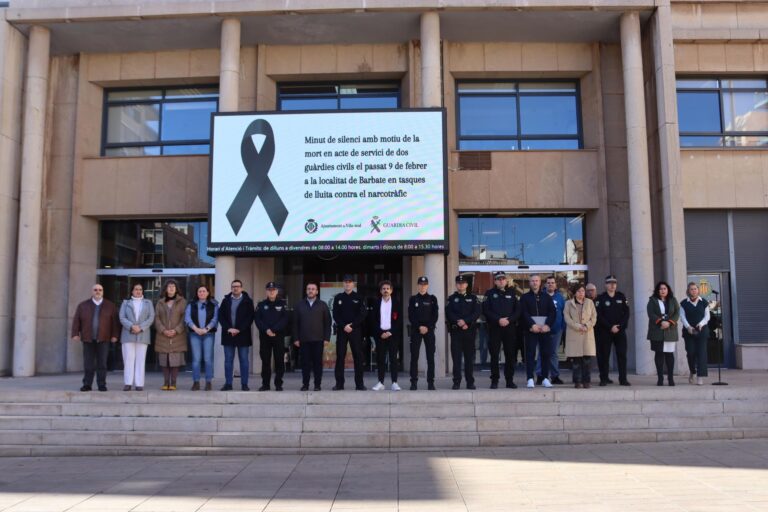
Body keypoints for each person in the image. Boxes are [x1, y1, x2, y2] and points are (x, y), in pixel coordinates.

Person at [71, 283, 120, 391]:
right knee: (88, 363)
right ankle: (87, 384)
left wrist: (115, 335)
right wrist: (75, 333)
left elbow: (115, 323)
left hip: (104, 338)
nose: (98, 291)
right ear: (92, 292)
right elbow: (76, 320)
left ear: (103, 292)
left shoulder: (110, 306)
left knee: (102, 363)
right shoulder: (83, 305)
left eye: (100, 290)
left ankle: (101, 384)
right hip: (88, 338)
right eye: (95, 290)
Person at [482, 271, 520, 389]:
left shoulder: (513, 293)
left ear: (506, 280)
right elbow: (486, 310)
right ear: (495, 281)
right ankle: (494, 380)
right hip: (494, 328)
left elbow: (518, 310)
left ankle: (509, 380)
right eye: (499, 279)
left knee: (510, 355)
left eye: (503, 279)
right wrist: (498, 319)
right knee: (494, 355)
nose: (501, 281)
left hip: (509, 328)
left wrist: (509, 320)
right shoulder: (489, 293)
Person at [331, 274, 368, 391]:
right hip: (342, 331)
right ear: (343, 284)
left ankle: (359, 384)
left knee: (358, 357)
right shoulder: (338, 298)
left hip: (355, 330)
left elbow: (363, 314)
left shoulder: (359, 297)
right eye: (346, 282)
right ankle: (339, 384)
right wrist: (344, 326)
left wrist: (352, 325)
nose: (347, 283)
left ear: (353, 284)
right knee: (340, 356)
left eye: (350, 282)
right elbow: (335, 314)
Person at [293, 282, 331, 391]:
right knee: (305, 364)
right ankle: (305, 384)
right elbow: (295, 323)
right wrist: (295, 338)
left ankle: (317, 385)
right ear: (306, 291)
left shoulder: (323, 305)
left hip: (318, 340)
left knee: (317, 364)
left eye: (313, 289)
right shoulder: (299, 305)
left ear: (317, 291)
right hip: (303, 340)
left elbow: (328, 323)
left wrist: (327, 338)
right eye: (309, 289)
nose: (311, 291)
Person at [520, 274, 556, 388]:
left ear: (540, 283)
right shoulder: (524, 297)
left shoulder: (547, 297)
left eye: (536, 281)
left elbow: (552, 312)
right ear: (529, 283)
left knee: (545, 354)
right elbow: (523, 313)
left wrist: (547, 325)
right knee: (530, 354)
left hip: (544, 330)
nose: (534, 283)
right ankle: (530, 378)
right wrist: (532, 325)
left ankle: (545, 377)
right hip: (531, 330)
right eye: (532, 281)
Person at [218, 279, 255, 391]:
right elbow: (221, 316)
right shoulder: (225, 301)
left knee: (244, 360)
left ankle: (244, 384)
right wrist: (229, 328)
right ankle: (228, 384)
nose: (235, 288)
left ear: (241, 288)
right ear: (231, 288)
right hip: (228, 334)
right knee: (228, 360)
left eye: (238, 286)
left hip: (243, 335)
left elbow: (250, 317)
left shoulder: (248, 301)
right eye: (233, 286)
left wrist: (238, 329)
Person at [595, 275, 631, 386]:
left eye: (614, 283)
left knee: (622, 355)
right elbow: (599, 316)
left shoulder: (621, 297)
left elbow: (626, 313)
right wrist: (610, 327)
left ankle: (623, 379)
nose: (612, 285)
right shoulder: (600, 299)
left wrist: (619, 326)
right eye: (610, 283)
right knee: (604, 355)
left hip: (620, 331)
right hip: (605, 331)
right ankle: (604, 378)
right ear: (606, 285)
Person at [446, 275, 481, 390]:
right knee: (456, 359)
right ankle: (456, 382)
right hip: (456, 332)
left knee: (469, 359)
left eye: (463, 283)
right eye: (458, 283)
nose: (461, 285)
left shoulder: (473, 298)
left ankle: (470, 382)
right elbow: (449, 313)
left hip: (469, 332)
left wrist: (466, 322)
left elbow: (476, 313)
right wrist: (458, 321)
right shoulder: (451, 299)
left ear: (466, 285)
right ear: (456, 285)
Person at [118, 283, 154, 391]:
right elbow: (122, 317)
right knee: (128, 359)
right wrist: (132, 326)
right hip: (128, 334)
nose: (138, 291)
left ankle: (139, 384)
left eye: (140, 289)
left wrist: (141, 327)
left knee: (140, 360)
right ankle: (128, 383)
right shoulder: (126, 303)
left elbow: (151, 317)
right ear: (132, 291)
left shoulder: (148, 303)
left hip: (143, 335)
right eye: (136, 289)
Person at [153, 279, 188, 391]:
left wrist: (176, 330)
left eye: (173, 286)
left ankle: (173, 383)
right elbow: (156, 318)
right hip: (163, 335)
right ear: (166, 289)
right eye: (169, 286)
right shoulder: (160, 302)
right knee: (164, 360)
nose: (171, 288)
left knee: (175, 360)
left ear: (176, 289)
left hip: (177, 336)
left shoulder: (182, 301)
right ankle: (165, 382)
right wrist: (163, 330)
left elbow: (184, 318)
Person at [254, 282, 288, 392]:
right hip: (265, 337)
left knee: (279, 361)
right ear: (266, 291)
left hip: (278, 337)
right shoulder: (261, 304)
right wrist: (267, 330)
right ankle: (265, 384)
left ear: (277, 291)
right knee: (265, 361)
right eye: (269, 290)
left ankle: (278, 384)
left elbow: (285, 319)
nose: (271, 291)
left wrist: (273, 329)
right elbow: (257, 320)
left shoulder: (283, 304)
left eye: (273, 290)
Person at [185, 284, 218, 391]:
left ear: (208, 293)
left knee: (208, 359)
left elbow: (215, 319)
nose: (202, 293)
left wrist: (206, 329)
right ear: (197, 293)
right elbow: (187, 318)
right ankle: (196, 382)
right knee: (196, 359)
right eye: (200, 291)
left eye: (204, 291)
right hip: (195, 334)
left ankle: (208, 382)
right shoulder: (191, 304)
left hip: (208, 334)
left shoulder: (214, 304)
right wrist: (196, 329)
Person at [408, 276, 439, 391]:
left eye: (425, 284)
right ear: (417, 285)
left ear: (427, 285)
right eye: (420, 284)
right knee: (414, 357)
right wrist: (419, 326)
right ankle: (413, 382)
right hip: (416, 330)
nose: (422, 286)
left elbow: (435, 315)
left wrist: (428, 327)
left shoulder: (432, 299)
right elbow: (411, 315)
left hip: (429, 330)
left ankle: (431, 382)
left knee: (430, 357)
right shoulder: (413, 299)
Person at [647, 281, 680, 386]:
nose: (663, 290)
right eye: (660, 289)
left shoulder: (673, 300)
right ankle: (660, 378)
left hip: (670, 331)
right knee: (659, 354)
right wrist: (661, 322)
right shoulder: (652, 300)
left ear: (668, 290)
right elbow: (651, 313)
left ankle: (670, 378)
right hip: (657, 330)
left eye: (665, 288)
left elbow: (677, 312)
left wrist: (669, 323)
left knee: (669, 355)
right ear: (657, 290)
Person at [564, 283, 597, 388]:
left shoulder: (590, 303)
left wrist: (586, 326)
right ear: (574, 293)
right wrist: (578, 326)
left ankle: (586, 381)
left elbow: (594, 317)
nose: (581, 293)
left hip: (587, 334)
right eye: (578, 291)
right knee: (576, 361)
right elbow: (567, 318)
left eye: (583, 291)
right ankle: (577, 381)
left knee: (587, 360)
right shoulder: (568, 304)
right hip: (574, 334)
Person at [372, 280, 402, 391]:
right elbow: (373, 320)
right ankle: (380, 382)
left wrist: (391, 332)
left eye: (387, 288)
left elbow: (399, 320)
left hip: (392, 335)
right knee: (381, 359)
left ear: (391, 290)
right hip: (380, 335)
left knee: (394, 359)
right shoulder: (376, 303)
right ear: (380, 291)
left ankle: (394, 382)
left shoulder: (397, 303)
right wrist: (381, 333)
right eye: (383, 289)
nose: (386, 290)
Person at [536, 276, 565, 385]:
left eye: (552, 283)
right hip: (542, 330)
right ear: (545, 284)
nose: (550, 284)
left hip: (556, 330)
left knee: (553, 353)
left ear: (555, 285)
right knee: (541, 353)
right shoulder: (540, 296)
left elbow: (563, 313)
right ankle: (540, 375)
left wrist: (562, 327)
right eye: (548, 283)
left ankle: (555, 376)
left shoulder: (560, 298)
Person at [680, 282, 710, 386]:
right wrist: (688, 327)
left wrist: (701, 324)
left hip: (702, 331)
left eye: (695, 289)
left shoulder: (704, 302)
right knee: (691, 353)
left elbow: (707, 316)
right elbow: (682, 317)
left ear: (698, 290)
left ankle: (700, 377)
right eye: (691, 289)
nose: (693, 290)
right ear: (688, 291)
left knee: (701, 353)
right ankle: (692, 371)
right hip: (689, 332)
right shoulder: (684, 303)